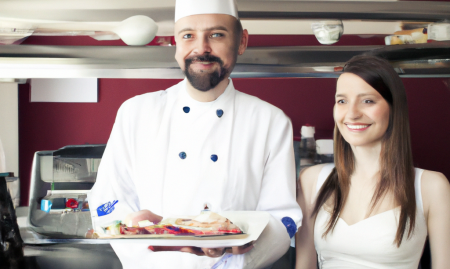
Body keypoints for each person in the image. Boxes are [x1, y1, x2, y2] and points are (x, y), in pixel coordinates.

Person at [88, 0, 302, 268]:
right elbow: (108, 203)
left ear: (242, 41)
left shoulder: (270, 121)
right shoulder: (135, 113)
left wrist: (228, 265)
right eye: (188, 35)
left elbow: (282, 219)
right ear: (176, 45)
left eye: (216, 35)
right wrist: (139, 232)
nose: (201, 48)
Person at [295, 55, 450, 269]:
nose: (352, 113)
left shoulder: (432, 186)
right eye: (342, 101)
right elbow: (304, 265)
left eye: (367, 100)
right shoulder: (311, 180)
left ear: (393, 108)